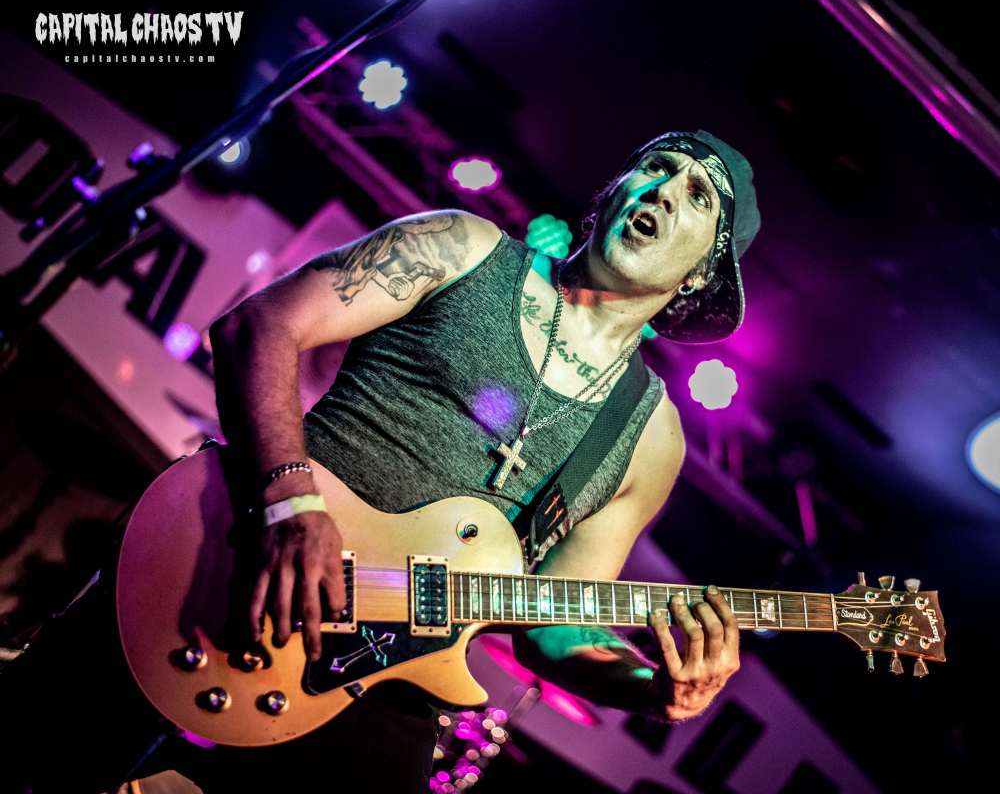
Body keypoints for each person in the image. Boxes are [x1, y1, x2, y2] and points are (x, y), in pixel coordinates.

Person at [1, 129, 760, 793]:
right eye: (656, 166)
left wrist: (652, 689)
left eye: (697, 196)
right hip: (232, 564)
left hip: (384, 678)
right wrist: (291, 504)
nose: (663, 190)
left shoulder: (649, 435)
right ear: (614, 188)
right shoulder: (464, 249)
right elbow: (259, 328)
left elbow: (554, 626)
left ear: (703, 274)